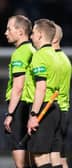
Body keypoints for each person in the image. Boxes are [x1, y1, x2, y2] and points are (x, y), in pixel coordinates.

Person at [27, 19, 62, 168]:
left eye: (33, 33)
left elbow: (41, 87)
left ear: (40, 35)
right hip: (56, 108)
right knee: (53, 158)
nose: (31, 36)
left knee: (41, 157)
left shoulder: (39, 55)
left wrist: (34, 115)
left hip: (44, 110)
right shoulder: (57, 56)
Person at [3, 15, 35, 168]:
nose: (6, 32)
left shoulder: (21, 52)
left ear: (21, 32)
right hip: (29, 104)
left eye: (9, 28)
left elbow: (18, 86)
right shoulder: (32, 49)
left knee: (19, 152)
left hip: (20, 105)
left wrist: (10, 114)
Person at [51, 23, 71, 168]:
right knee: (61, 155)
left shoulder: (54, 60)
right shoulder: (64, 58)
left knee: (52, 155)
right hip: (64, 109)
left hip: (54, 110)